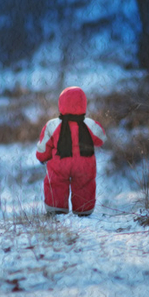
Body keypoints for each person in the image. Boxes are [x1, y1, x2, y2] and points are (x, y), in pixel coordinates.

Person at [36, 86, 106, 216]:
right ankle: (84, 209)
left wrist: (41, 157)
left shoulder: (52, 124)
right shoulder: (89, 124)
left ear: (61, 103)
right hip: (84, 163)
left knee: (56, 182)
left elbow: (44, 146)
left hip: (59, 163)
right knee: (84, 183)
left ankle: (56, 208)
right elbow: (101, 139)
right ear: (83, 103)